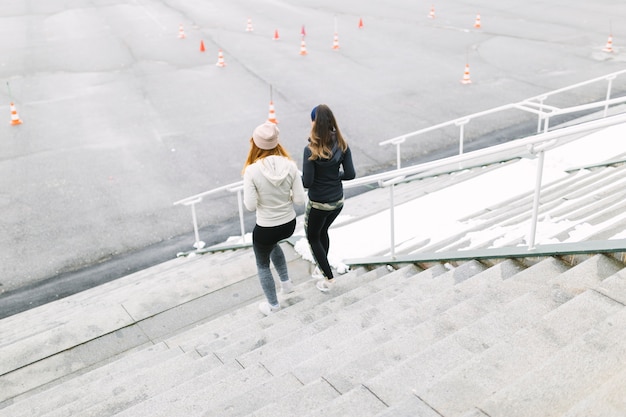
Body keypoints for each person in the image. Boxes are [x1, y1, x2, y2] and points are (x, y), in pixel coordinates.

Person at [243, 121, 306, 315]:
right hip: (288, 224)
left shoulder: (252, 171)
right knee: (274, 244)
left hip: (266, 227)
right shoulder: (290, 166)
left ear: (255, 143)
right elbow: (299, 200)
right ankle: (286, 284)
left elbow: (251, 205)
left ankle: (273, 305)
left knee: (262, 264)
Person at [302, 104, 356, 292]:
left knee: (312, 236)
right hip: (337, 202)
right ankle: (322, 266)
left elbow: (307, 183)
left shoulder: (311, 150)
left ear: (314, 123)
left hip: (318, 204)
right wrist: (334, 177)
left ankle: (328, 278)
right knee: (323, 232)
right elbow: (350, 174)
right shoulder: (342, 144)